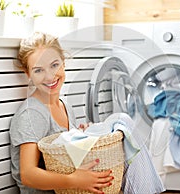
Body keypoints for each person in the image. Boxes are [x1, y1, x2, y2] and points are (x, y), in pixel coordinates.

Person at [9, 32, 113, 194]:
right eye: (38, 70)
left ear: (63, 63)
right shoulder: (32, 114)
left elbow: (64, 154)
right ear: (28, 74)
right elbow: (28, 175)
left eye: (54, 65)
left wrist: (81, 135)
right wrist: (74, 180)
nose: (50, 76)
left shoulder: (65, 105)